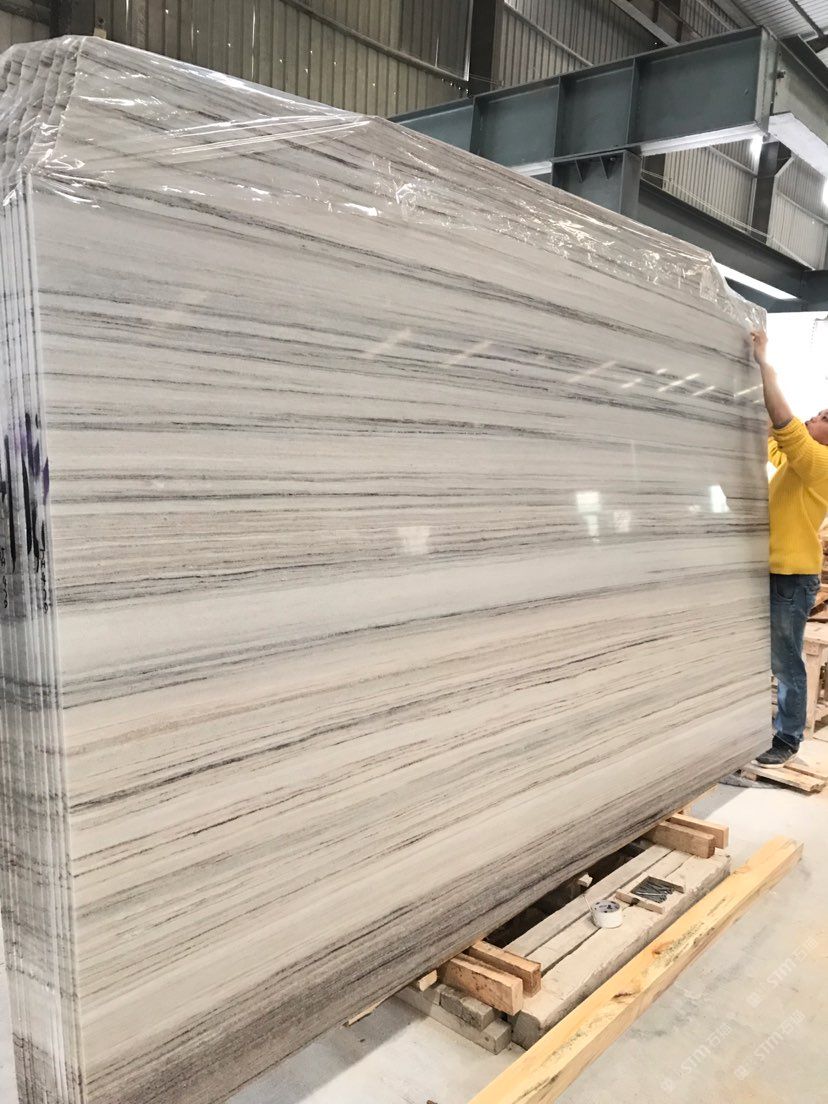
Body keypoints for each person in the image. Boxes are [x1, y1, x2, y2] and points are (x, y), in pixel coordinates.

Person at [752, 328, 828, 765]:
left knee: (785, 662)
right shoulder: (799, 463)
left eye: (822, 417)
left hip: (792, 577)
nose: (812, 417)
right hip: (773, 571)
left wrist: (765, 363)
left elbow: (783, 423)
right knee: (771, 656)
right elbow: (772, 434)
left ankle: (788, 738)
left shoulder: (821, 464)